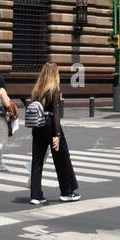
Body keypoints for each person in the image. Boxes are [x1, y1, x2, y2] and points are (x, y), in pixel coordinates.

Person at [26, 62, 79, 205]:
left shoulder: (37, 89)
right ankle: (67, 192)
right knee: (62, 158)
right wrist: (57, 134)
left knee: (37, 161)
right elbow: (56, 112)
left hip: (37, 126)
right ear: (54, 74)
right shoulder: (55, 89)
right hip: (51, 125)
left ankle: (36, 195)